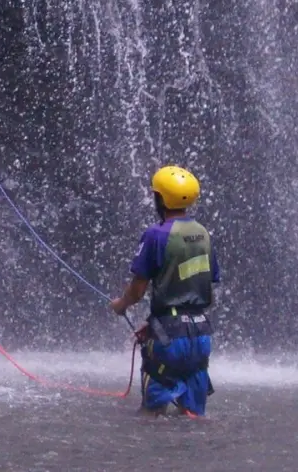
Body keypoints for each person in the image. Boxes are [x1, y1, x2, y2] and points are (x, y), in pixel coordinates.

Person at [111, 165, 221, 417]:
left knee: (153, 414)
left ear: (160, 199)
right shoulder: (203, 233)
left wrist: (120, 305)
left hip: (169, 337)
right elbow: (206, 288)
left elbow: (137, 291)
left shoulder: (156, 234)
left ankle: (155, 456)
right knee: (193, 416)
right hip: (202, 334)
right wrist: (156, 324)